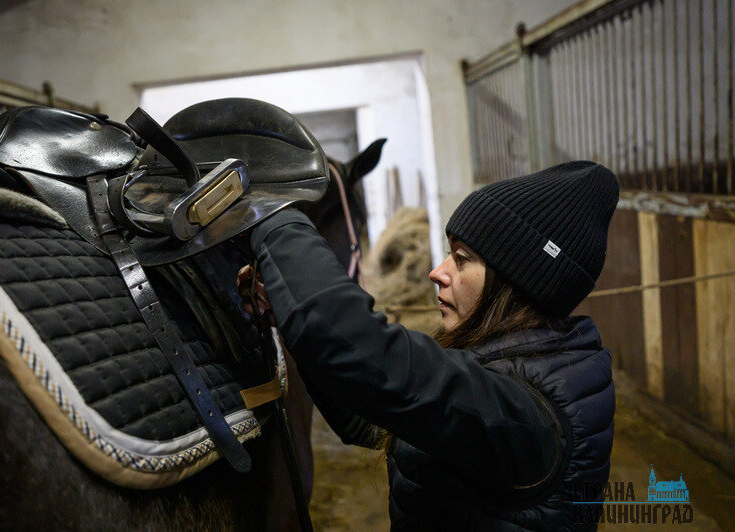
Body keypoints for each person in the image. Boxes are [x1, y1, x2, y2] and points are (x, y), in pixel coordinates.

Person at [238, 161, 618, 530]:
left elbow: (366, 350)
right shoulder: (507, 365)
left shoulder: (528, 414)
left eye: (462, 259)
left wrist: (272, 211)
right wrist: (290, 321)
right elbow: (368, 419)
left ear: (517, 283)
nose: (437, 272)